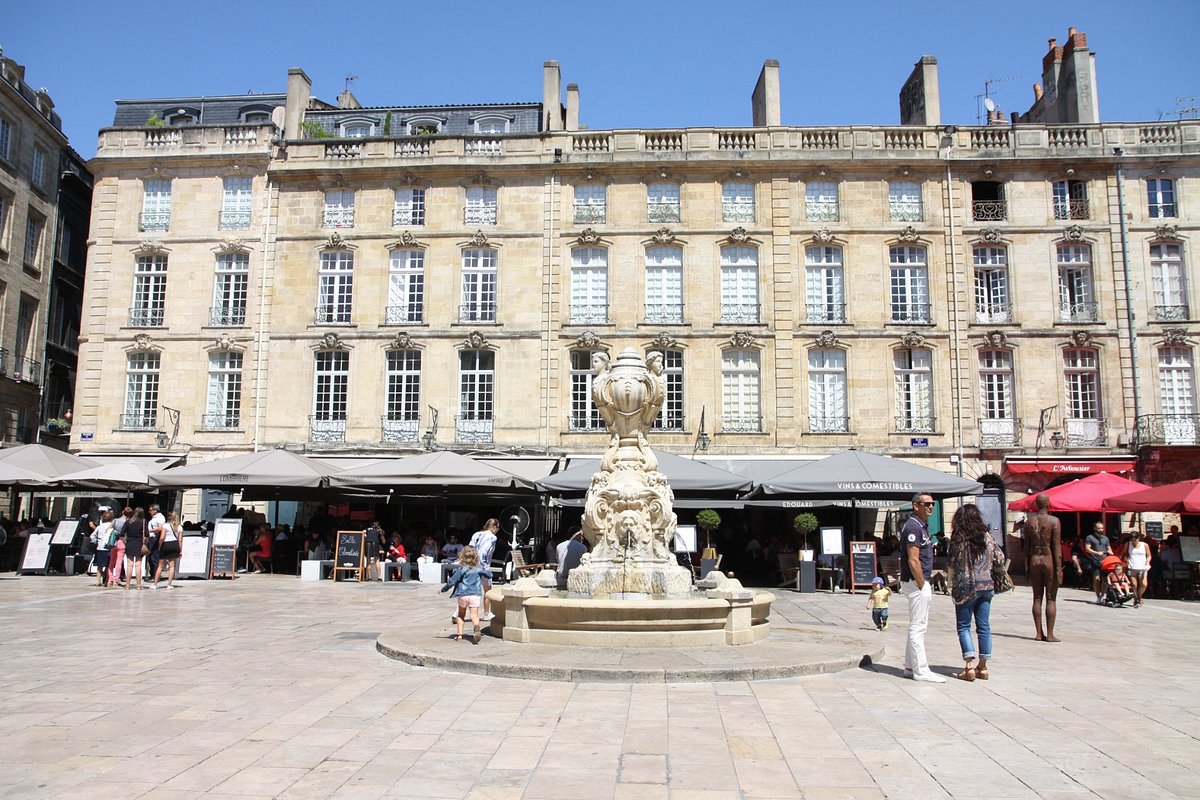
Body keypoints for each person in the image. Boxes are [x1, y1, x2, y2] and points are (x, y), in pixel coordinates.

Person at [948, 504, 1002, 682]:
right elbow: (1000, 558)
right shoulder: (987, 537)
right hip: (986, 586)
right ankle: (983, 667)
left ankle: (969, 666)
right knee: (984, 626)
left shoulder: (958, 539)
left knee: (964, 626)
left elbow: (952, 562)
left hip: (966, 587)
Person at [900, 492, 945, 682]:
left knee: (917, 625)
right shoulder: (913, 526)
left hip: (919, 581)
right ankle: (921, 670)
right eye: (927, 504)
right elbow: (913, 560)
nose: (931, 507)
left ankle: (910, 667)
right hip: (916, 582)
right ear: (916, 505)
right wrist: (922, 585)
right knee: (919, 627)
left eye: (933, 504)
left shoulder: (921, 526)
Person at [1023, 493, 1062, 642]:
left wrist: (1026, 567)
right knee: (1051, 598)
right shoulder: (1054, 521)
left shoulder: (1029, 522)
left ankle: (1038, 633)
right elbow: (1057, 548)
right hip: (1048, 558)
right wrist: (1058, 569)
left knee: (1037, 597)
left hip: (1034, 558)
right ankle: (1050, 634)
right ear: (1048, 504)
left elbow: (1026, 547)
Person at [440, 545, 489, 644]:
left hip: (463, 594)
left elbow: (452, 581)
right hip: (475, 595)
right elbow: (489, 574)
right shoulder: (478, 569)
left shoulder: (461, 570)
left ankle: (459, 635)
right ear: (476, 557)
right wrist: (485, 570)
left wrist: (443, 589)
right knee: (474, 615)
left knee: (461, 615)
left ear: (462, 556)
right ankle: (476, 628)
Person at [469, 518, 499, 620]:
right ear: (494, 527)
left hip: (471, 565)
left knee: (467, 589)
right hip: (483, 566)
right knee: (488, 590)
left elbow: (470, 548)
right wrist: (483, 565)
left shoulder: (476, 534)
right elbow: (484, 551)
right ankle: (486, 613)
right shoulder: (492, 537)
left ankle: (457, 613)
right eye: (497, 528)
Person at [1083, 521, 1113, 604]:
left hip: (1105, 561)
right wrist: (1096, 553)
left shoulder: (1105, 538)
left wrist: (1110, 552)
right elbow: (1087, 549)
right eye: (1099, 528)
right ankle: (1098, 596)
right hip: (1094, 560)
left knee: (1105, 579)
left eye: (1102, 528)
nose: (1101, 530)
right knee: (1096, 579)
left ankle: (1103, 595)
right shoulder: (1090, 537)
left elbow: (1108, 547)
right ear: (1095, 528)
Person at [153, 512, 182, 589]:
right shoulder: (179, 527)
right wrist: (180, 550)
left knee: (160, 566)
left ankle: (155, 584)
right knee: (172, 566)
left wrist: (159, 546)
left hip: (166, 545)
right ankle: (169, 584)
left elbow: (162, 538)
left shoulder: (165, 526)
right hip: (175, 545)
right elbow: (180, 540)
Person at [1124, 531, 1151, 608]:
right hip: (1132, 567)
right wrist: (1126, 559)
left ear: (1138, 538)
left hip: (1142, 567)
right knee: (1134, 585)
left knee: (1144, 584)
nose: (1133, 541)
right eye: (1131, 539)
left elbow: (1149, 555)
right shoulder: (1128, 545)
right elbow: (1124, 554)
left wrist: (1147, 561)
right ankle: (1137, 599)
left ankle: (1139, 596)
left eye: (1135, 539)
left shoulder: (1145, 545)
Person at [123, 507, 148, 591]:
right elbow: (147, 534)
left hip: (129, 543)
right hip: (139, 543)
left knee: (129, 565)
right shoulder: (143, 522)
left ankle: (127, 585)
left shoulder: (128, 522)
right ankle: (138, 585)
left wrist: (125, 542)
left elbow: (121, 533)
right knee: (138, 565)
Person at [91, 511, 115, 587]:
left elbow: (92, 536)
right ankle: (107, 581)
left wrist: (96, 542)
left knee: (100, 565)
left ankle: (98, 581)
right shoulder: (112, 526)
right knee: (109, 565)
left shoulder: (99, 527)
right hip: (110, 548)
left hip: (100, 548)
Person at [146, 503, 166, 581]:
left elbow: (160, 528)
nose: (149, 512)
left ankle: (156, 576)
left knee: (154, 557)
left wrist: (149, 530)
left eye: (150, 510)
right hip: (151, 538)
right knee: (150, 557)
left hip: (155, 538)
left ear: (155, 510)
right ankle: (152, 574)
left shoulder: (160, 517)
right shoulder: (153, 518)